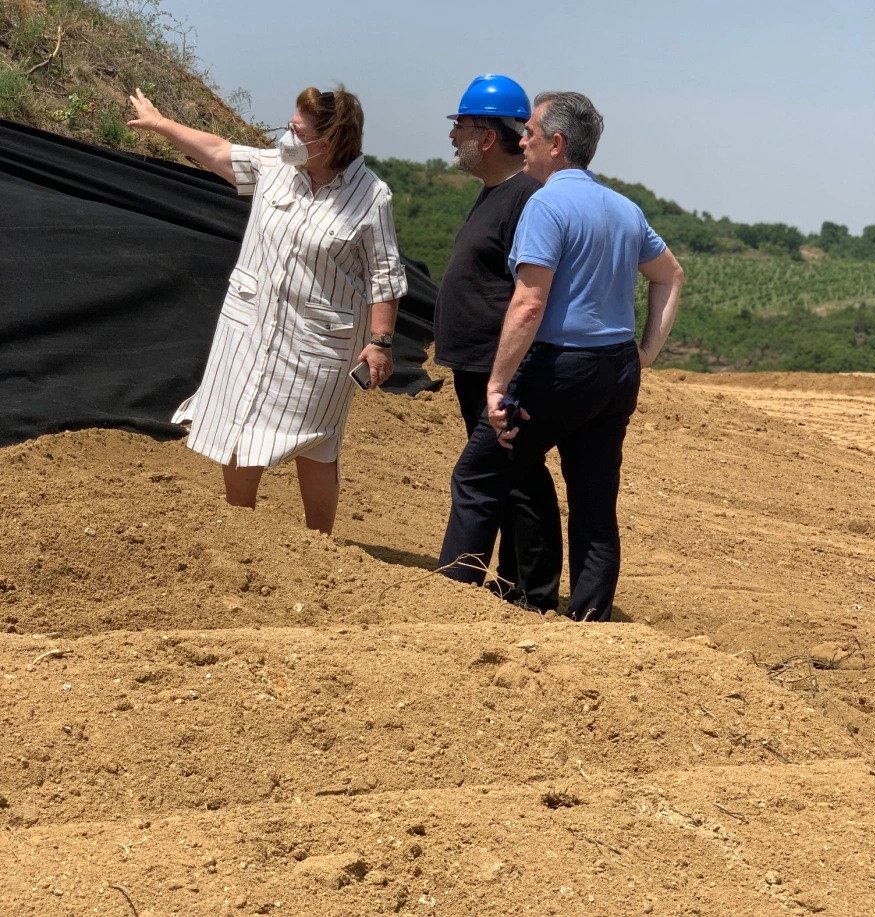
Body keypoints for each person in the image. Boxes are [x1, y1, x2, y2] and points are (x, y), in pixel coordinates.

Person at [438, 90, 684, 621]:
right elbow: (670, 274)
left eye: (529, 132)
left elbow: (529, 303)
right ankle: (592, 619)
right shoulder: (624, 208)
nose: (521, 140)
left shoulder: (545, 205)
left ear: (555, 143)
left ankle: (450, 602)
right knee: (594, 503)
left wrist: (497, 386)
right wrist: (645, 353)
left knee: (478, 476)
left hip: (560, 368)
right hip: (616, 371)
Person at [127, 85, 407, 535]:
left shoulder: (371, 197)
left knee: (316, 443)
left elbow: (385, 275)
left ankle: (319, 542)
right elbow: (218, 151)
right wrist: (162, 124)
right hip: (251, 330)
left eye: (298, 131)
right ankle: (242, 530)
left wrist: (380, 342)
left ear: (328, 142)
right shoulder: (276, 168)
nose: (287, 137)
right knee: (240, 426)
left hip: (320, 345)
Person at [433, 75, 562, 611]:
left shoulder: (526, 199)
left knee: (511, 475)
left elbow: (532, 292)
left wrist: (507, 373)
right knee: (510, 476)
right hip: (479, 365)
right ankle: (514, 589)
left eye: (460, 126)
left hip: (502, 370)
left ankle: (528, 594)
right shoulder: (497, 193)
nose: (452, 136)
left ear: (487, 136)